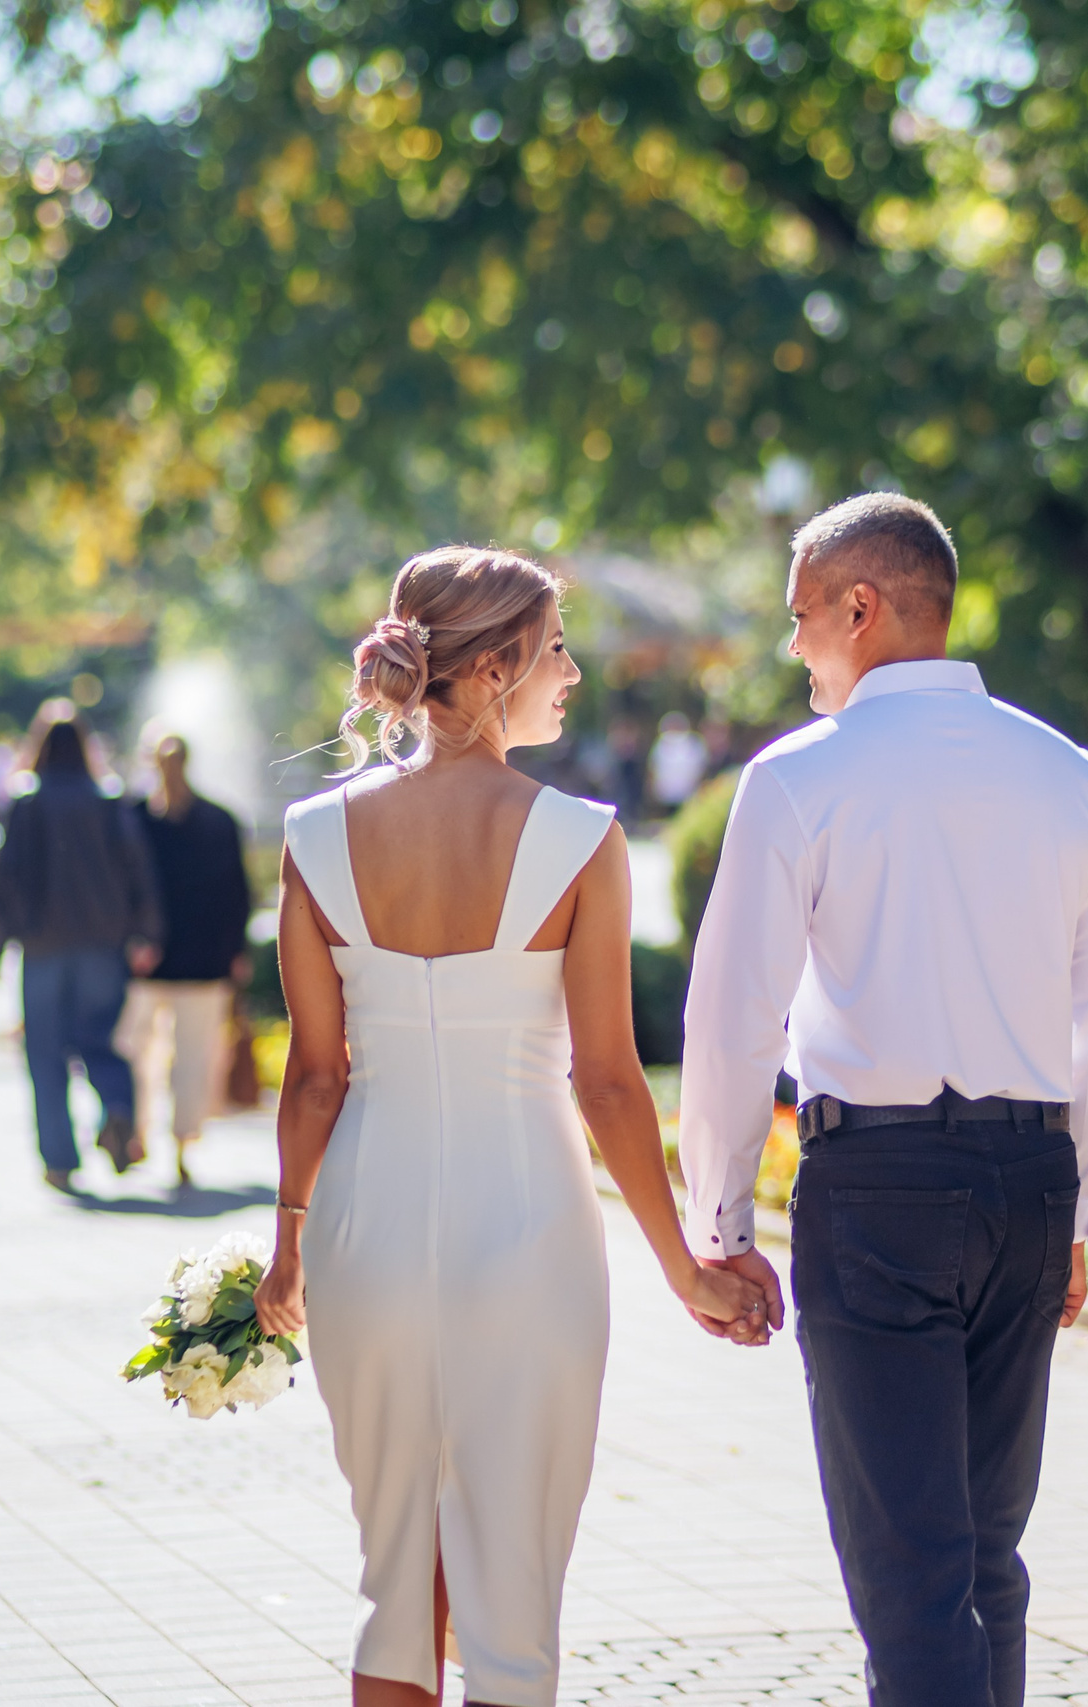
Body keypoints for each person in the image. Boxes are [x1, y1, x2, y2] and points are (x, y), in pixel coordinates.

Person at [253, 547, 768, 1707]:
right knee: (513, 1608)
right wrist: (685, 1266)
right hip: (529, 1228)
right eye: (555, 651)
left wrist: (290, 1245)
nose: (572, 674)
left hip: (364, 1230)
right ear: (491, 671)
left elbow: (315, 1080)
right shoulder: (581, 838)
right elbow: (609, 1083)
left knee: (395, 1597)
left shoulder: (313, 834)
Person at [678, 492, 1088, 1707]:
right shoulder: (1070, 774)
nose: (793, 652)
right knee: (986, 1560)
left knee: (910, 1574)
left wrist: (717, 1228)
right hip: (1031, 1187)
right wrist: (1080, 1216)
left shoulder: (797, 781)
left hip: (878, 1189)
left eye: (800, 622)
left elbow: (731, 1020)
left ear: (861, 609)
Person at [0, 706, 165, 1191]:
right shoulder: (108, 801)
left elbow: (6, 877)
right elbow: (137, 869)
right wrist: (145, 932)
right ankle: (119, 1108)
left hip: (43, 945)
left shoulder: (27, 803)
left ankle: (59, 1160)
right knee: (98, 1038)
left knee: (44, 1052)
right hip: (103, 944)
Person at [117, 732, 252, 1188]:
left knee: (137, 1053)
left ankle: (135, 1134)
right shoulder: (219, 820)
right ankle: (181, 1143)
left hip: (146, 962)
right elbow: (238, 894)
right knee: (193, 1059)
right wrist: (236, 952)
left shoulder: (133, 819)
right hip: (206, 959)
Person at [647, 710, 708, 812]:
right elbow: (653, 768)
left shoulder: (693, 743)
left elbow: (700, 768)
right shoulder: (660, 745)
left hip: (688, 795)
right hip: (665, 795)